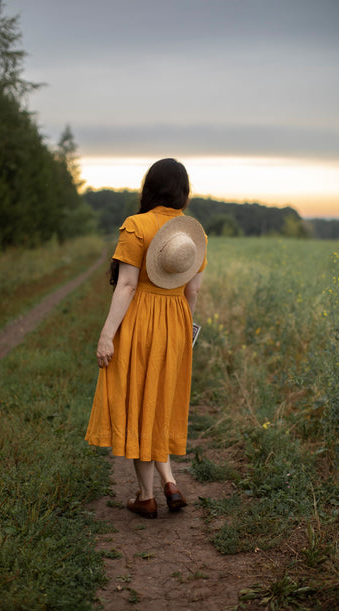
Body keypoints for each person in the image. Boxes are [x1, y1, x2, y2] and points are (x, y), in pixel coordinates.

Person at [85, 158, 207, 519]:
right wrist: (185, 330)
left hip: (140, 321)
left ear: (149, 188)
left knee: (139, 402)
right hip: (175, 322)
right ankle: (169, 481)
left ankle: (146, 495)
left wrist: (107, 335)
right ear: (183, 192)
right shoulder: (192, 234)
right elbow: (194, 292)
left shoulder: (136, 226)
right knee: (159, 400)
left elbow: (126, 284)